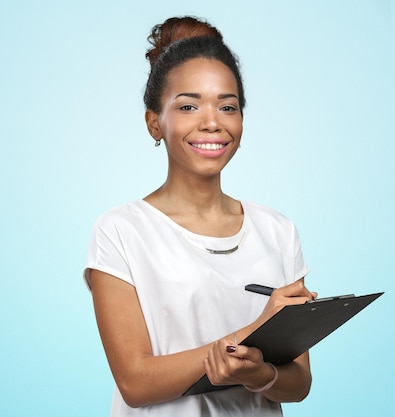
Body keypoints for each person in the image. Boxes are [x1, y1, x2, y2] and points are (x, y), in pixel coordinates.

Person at [84, 16, 316, 417]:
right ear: (154, 122)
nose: (212, 122)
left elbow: (299, 384)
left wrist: (261, 375)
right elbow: (135, 383)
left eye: (228, 106)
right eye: (189, 106)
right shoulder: (121, 231)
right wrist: (250, 335)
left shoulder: (277, 231)